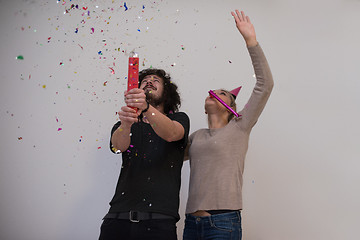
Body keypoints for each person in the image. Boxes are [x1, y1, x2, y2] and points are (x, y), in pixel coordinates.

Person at [183, 10, 274, 240]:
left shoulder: (240, 127)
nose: (214, 93)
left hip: (224, 223)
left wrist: (250, 41)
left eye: (222, 93)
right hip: (191, 224)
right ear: (206, 107)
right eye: (213, 92)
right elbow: (167, 158)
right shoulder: (196, 136)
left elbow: (265, 85)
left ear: (230, 107)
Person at [99, 68, 190, 240]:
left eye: (156, 80)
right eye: (145, 80)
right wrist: (126, 125)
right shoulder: (125, 123)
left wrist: (146, 107)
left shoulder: (179, 118)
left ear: (167, 92)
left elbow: (172, 134)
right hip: (117, 219)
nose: (149, 81)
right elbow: (118, 147)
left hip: (159, 223)